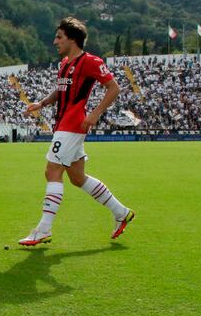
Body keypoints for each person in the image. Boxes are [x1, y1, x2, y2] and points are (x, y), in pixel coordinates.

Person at [18, 17, 134, 246]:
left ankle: (43, 229)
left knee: (52, 172)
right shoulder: (63, 64)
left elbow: (114, 88)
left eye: (59, 37)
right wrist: (40, 104)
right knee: (77, 178)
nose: (55, 41)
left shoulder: (90, 61)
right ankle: (121, 212)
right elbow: (60, 91)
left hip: (72, 124)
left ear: (73, 39)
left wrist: (95, 113)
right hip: (64, 124)